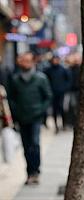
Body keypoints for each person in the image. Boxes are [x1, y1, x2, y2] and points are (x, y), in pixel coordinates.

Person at [7, 52, 52, 185]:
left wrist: (40, 110)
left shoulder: (41, 78)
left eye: (28, 61)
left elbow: (48, 96)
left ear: (33, 62)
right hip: (21, 118)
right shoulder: (15, 80)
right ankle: (29, 172)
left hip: (35, 118)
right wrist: (16, 111)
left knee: (35, 144)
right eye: (23, 61)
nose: (25, 63)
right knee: (26, 147)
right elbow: (11, 98)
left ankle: (36, 172)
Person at [44, 54, 71, 133]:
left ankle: (64, 124)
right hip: (53, 93)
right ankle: (56, 126)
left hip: (61, 93)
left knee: (62, 109)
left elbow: (68, 80)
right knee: (55, 110)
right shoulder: (48, 70)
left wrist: (65, 88)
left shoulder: (63, 69)